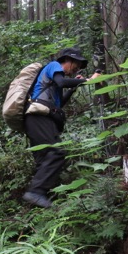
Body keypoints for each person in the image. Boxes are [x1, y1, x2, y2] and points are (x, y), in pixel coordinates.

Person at [22, 47, 101, 208]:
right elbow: (62, 82)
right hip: (38, 117)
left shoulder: (55, 84)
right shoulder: (53, 66)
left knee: (45, 160)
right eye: (76, 64)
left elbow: (59, 104)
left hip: (41, 119)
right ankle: (35, 193)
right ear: (67, 60)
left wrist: (73, 88)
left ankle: (40, 203)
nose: (77, 68)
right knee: (56, 152)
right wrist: (87, 80)